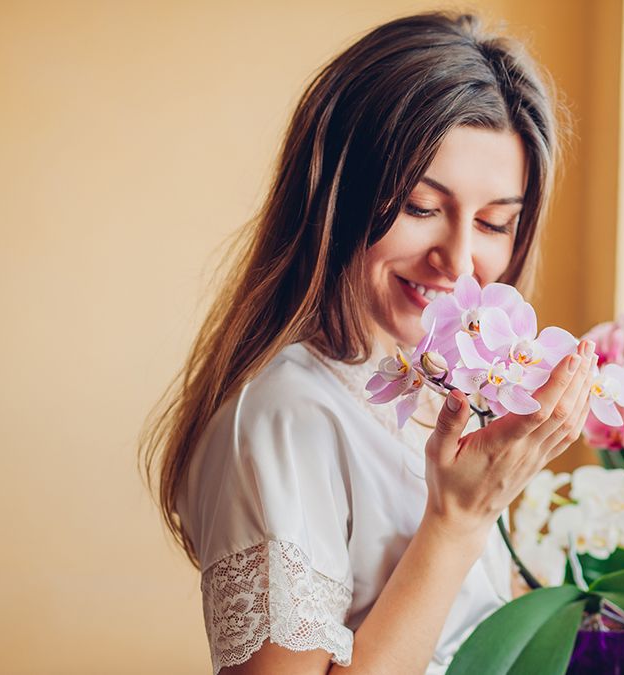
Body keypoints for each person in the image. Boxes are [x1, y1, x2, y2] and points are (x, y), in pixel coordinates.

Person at [140, 12, 595, 674]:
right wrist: (456, 522)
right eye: (420, 207)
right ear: (336, 198)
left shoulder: (421, 392)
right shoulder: (285, 417)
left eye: (496, 222)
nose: (460, 260)